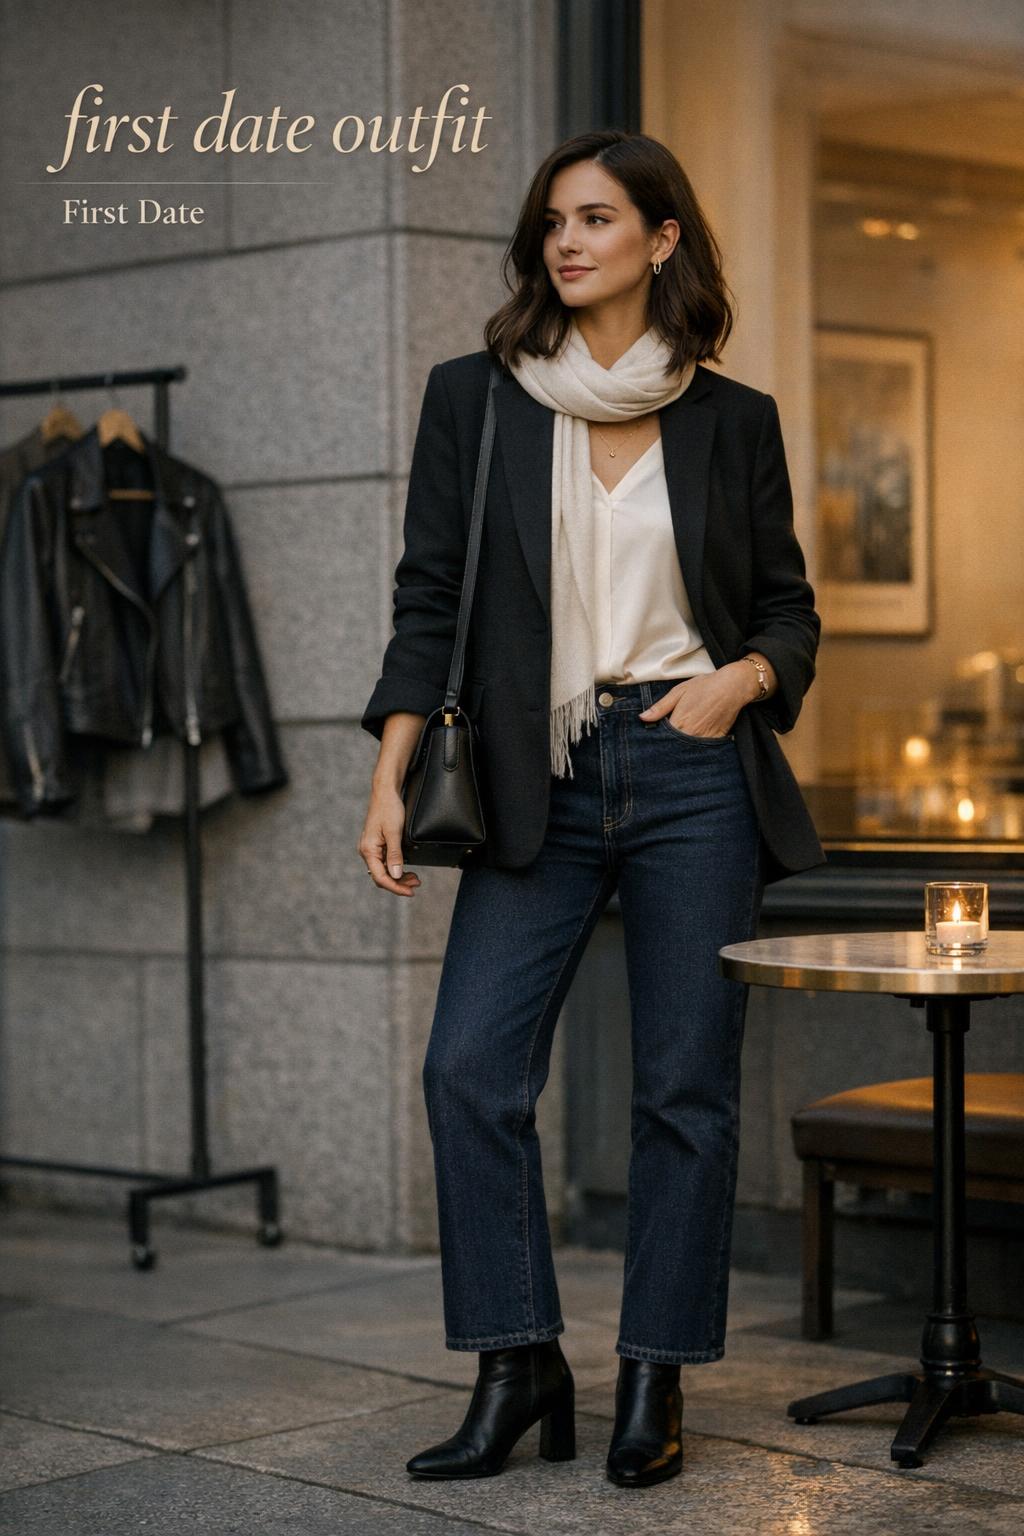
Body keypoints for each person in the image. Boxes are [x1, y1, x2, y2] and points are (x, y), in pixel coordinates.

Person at [358, 129, 824, 1489]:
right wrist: (387, 772)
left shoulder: (733, 420)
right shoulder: (478, 400)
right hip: (532, 775)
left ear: (661, 238)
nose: (567, 241)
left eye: (598, 218)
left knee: (684, 1091)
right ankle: (518, 1360)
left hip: (691, 767)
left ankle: (653, 1380)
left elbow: (790, 614)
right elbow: (428, 599)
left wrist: (739, 681)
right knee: (469, 1069)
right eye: (554, 220)